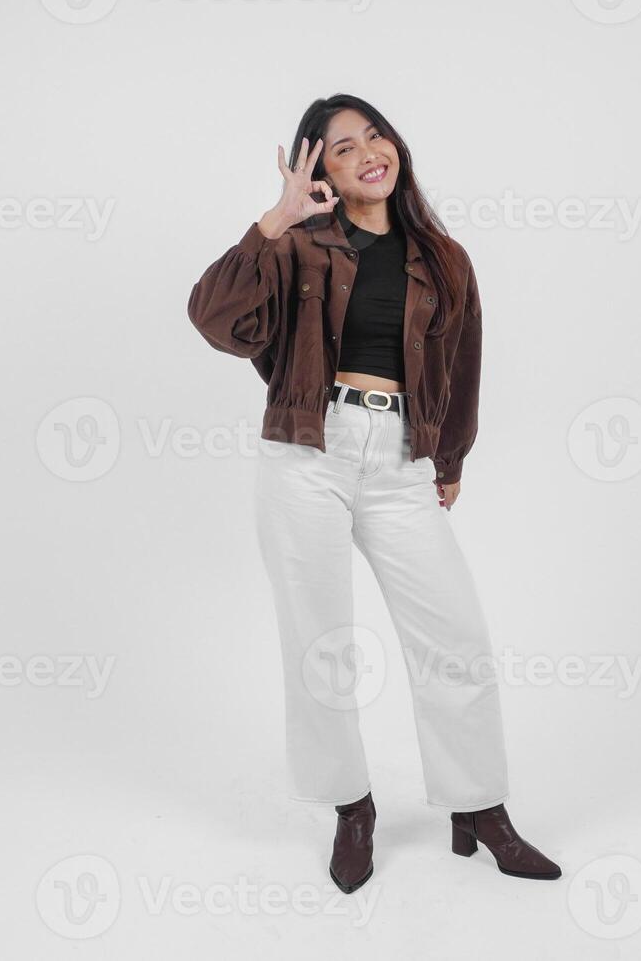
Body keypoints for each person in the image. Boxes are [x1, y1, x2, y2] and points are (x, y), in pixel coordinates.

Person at [186, 94, 560, 893]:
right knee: (319, 642)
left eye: (375, 137)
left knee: (454, 634)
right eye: (343, 148)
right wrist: (277, 218)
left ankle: (479, 809)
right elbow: (215, 318)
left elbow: (464, 369)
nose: (367, 155)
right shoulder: (299, 248)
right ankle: (352, 807)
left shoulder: (446, 259)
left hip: (401, 463)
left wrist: (447, 461)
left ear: (395, 148)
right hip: (306, 450)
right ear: (320, 169)